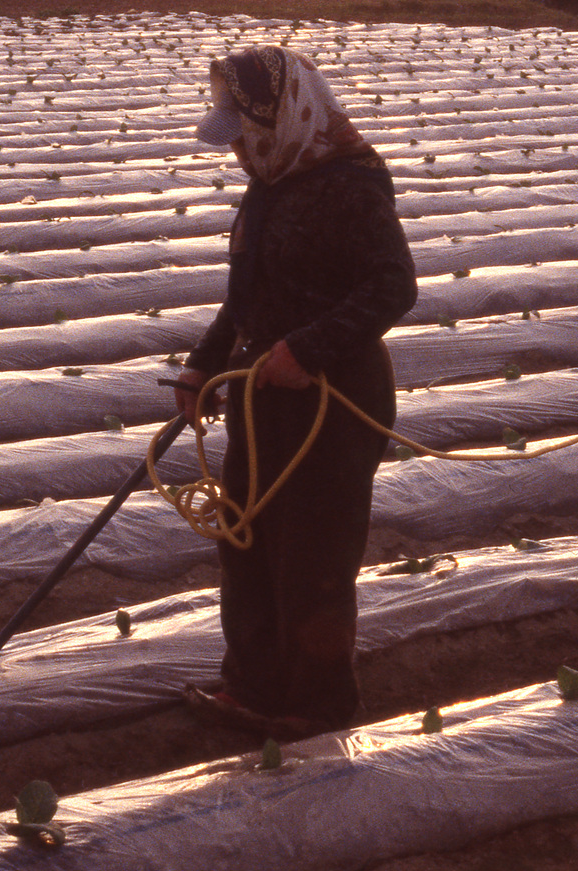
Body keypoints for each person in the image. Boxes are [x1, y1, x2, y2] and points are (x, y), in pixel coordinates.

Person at [171, 44, 417, 740]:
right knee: (246, 539)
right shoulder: (270, 185)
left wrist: (308, 349)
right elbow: (247, 298)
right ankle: (252, 685)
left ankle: (315, 703)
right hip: (263, 392)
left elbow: (394, 287)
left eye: (245, 132)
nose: (238, 150)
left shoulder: (352, 186)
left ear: (283, 116)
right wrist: (202, 365)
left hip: (334, 400)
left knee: (312, 555)